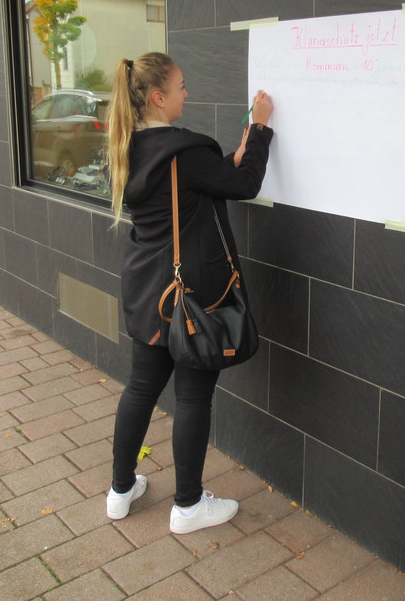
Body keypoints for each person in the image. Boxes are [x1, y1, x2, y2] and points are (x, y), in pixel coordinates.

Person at [104, 52, 273, 532]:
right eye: (181, 86)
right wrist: (259, 130)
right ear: (158, 97)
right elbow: (242, 186)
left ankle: (120, 491)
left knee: (140, 389)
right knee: (193, 397)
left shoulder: (129, 145)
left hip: (146, 290)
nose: (186, 93)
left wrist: (234, 155)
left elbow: (194, 183)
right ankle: (189, 506)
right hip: (191, 295)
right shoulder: (184, 150)